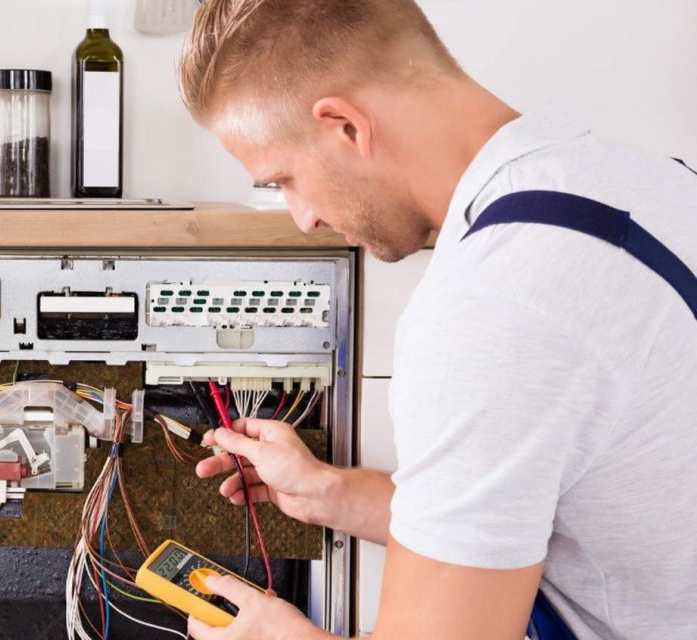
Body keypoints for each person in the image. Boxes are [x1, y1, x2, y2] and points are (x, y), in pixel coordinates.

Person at [178, 1, 697, 639]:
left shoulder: (492, 307)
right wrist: (330, 492)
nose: (304, 218)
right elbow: (526, 515)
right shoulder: (648, 184)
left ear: (346, 127)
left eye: (284, 179)